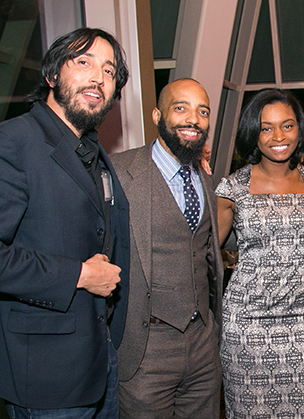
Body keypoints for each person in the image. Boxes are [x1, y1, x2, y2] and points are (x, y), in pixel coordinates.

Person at [0, 28, 130, 417]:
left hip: (99, 363)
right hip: (45, 376)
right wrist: (77, 275)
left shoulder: (91, 150)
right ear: (52, 75)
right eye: (84, 62)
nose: (98, 78)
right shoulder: (14, 141)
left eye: (109, 71)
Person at [110, 78, 224, 418]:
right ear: (157, 115)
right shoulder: (119, 172)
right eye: (181, 108)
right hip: (145, 349)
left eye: (202, 111)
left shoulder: (206, 177)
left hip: (203, 346)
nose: (193, 118)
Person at [216, 88, 304, 418]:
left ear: (300, 130)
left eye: (287, 125)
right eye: (266, 127)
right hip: (246, 327)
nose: (277, 136)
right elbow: (205, 252)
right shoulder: (232, 189)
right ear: (253, 133)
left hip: (303, 325)